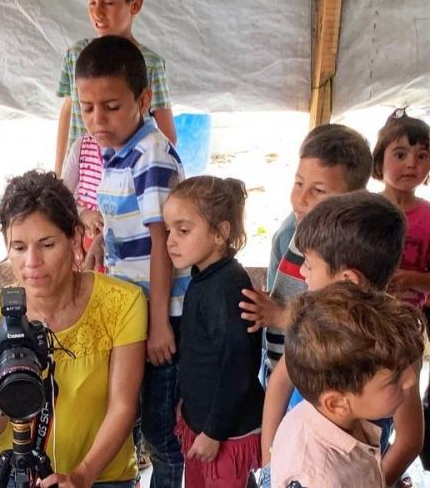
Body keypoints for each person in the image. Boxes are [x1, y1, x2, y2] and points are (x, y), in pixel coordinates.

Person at [0, 170, 146, 487]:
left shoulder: (122, 302)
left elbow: (123, 405)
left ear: (74, 238)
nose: (32, 262)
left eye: (46, 244)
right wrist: (5, 393)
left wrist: (82, 475)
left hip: (103, 477)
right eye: (18, 248)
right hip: (14, 474)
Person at [76, 35, 188, 486]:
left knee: (161, 429)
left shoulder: (151, 156)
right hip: (129, 307)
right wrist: (98, 246)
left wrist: (159, 322)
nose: (97, 119)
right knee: (132, 412)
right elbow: (123, 223)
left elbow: (162, 242)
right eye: (87, 107)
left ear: (143, 100)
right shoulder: (114, 149)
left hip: (160, 312)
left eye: (111, 106)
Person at [257, 191, 423, 487]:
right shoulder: (314, 324)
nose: (303, 273)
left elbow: (409, 439)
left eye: (309, 263)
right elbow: (280, 383)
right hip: (303, 463)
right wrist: (270, 464)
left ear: (347, 280)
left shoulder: (396, 340)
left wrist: (377, 480)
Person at [239, 123, 373, 377]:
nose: (301, 199)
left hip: (318, 377)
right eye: (299, 183)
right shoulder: (291, 230)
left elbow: (342, 324)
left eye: (318, 190)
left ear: (355, 196)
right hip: (281, 364)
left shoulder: (353, 253)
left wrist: (279, 316)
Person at [270, 283, 424, 488]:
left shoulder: (340, 419)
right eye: (394, 378)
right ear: (337, 403)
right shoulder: (318, 479)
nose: (411, 379)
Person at [163, 176, 263, 487]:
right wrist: (190, 404)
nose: (170, 241)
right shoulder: (204, 277)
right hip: (205, 422)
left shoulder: (227, 288)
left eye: (183, 230)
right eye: (168, 231)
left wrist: (214, 431)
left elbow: (237, 367)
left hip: (225, 432)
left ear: (220, 233)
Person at [54, 0, 174, 175]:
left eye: (108, 3)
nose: (97, 12)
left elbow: (167, 134)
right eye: (92, 2)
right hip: (82, 174)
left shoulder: (152, 64)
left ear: (135, 5)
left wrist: (154, 171)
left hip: (128, 175)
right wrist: (59, 172)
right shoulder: (75, 55)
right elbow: (67, 111)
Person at [371, 109, 430, 308]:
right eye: (400, 155)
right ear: (379, 161)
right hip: (363, 319)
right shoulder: (363, 210)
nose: (412, 164)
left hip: (408, 324)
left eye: (422, 156)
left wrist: (413, 279)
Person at [60, 133, 106, 273]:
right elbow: (61, 199)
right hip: (83, 247)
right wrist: (83, 214)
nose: (98, 118)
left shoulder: (138, 154)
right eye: (89, 109)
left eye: (112, 109)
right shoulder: (81, 148)